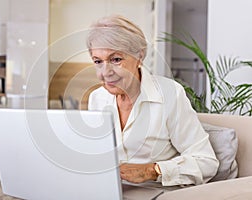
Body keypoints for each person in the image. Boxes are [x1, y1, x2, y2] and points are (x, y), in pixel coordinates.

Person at [86, 15, 219, 187]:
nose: (105, 72)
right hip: (108, 190)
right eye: (98, 61)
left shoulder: (170, 94)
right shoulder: (97, 98)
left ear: (139, 57)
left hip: (153, 192)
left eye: (116, 59)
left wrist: (152, 170)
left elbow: (206, 162)